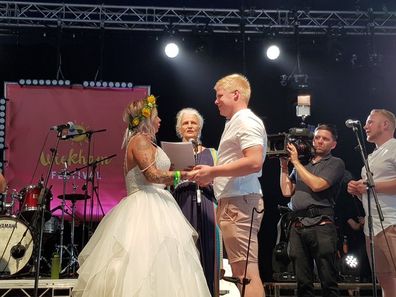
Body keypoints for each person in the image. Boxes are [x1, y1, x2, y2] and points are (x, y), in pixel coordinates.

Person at [72, 95, 211, 297]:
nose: (160, 120)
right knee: (144, 263)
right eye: (156, 116)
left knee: (165, 264)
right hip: (145, 207)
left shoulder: (147, 143)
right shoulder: (140, 141)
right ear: (146, 119)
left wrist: (174, 171)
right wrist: (184, 174)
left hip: (158, 202)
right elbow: (152, 175)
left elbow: (158, 173)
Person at [193, 73, 267, 297]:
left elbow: (254, 161)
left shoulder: (245, 120)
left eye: (219, 96)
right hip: (235, 201)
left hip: (240, 202)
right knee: (240, 271)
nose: (215, 101)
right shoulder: (235, 122)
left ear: (236, 94)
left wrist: (212, 172)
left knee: (246, 273)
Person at [279, 124, 345, 297]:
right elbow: (287, 191)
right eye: (317, 137)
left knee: (328, 280)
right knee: (302, 283)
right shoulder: (303, 164)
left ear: (334, 144)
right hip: (298, 225)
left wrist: (295, 162)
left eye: (325, 139)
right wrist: (285, 167)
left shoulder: (335, 163)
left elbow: (317, 185)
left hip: (321, 226)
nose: (319, 141)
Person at [347, 109, 396, 297]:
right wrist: (359, 191)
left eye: (370, 122)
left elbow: (374, 187)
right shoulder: (371, 157)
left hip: (391, 222)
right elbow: (371, 192)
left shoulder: (394, 147)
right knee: (385, 280)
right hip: (372, 227)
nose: (365, 126)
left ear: (385, 125)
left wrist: (370, 186)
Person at [173, 107, 221, 297]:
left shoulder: (213, 153)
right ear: (180, 129)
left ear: (200, 127)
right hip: (181, 203)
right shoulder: (171, 152)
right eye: (186, 123)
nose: (190, 126)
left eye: (194, 122)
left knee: (208, 252)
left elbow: (221, 181)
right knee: (183, 254)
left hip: (208, 204)